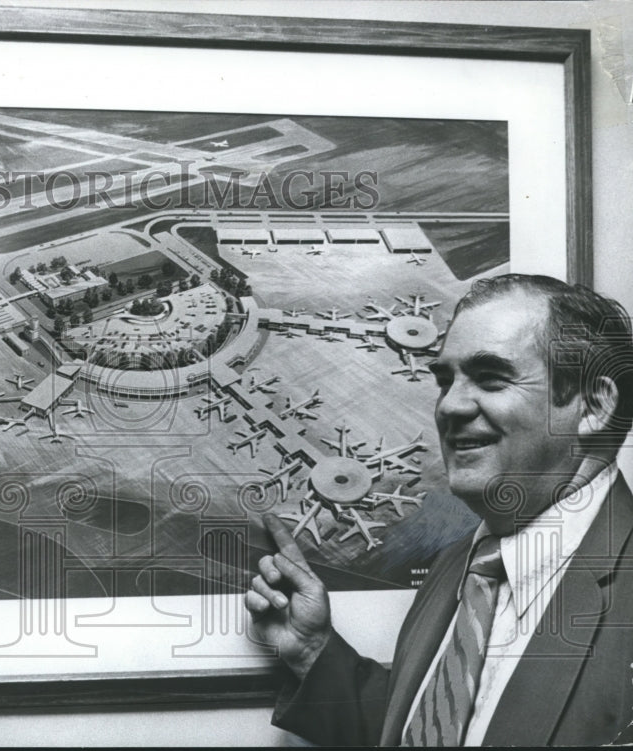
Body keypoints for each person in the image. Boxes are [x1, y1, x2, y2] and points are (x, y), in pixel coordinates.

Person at [247, 274, 633, 746]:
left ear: (593, 405)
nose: (449, 406)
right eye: (445, 380)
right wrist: (313, 651)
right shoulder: (459, 566)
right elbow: (430, 730)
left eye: (491, 378)